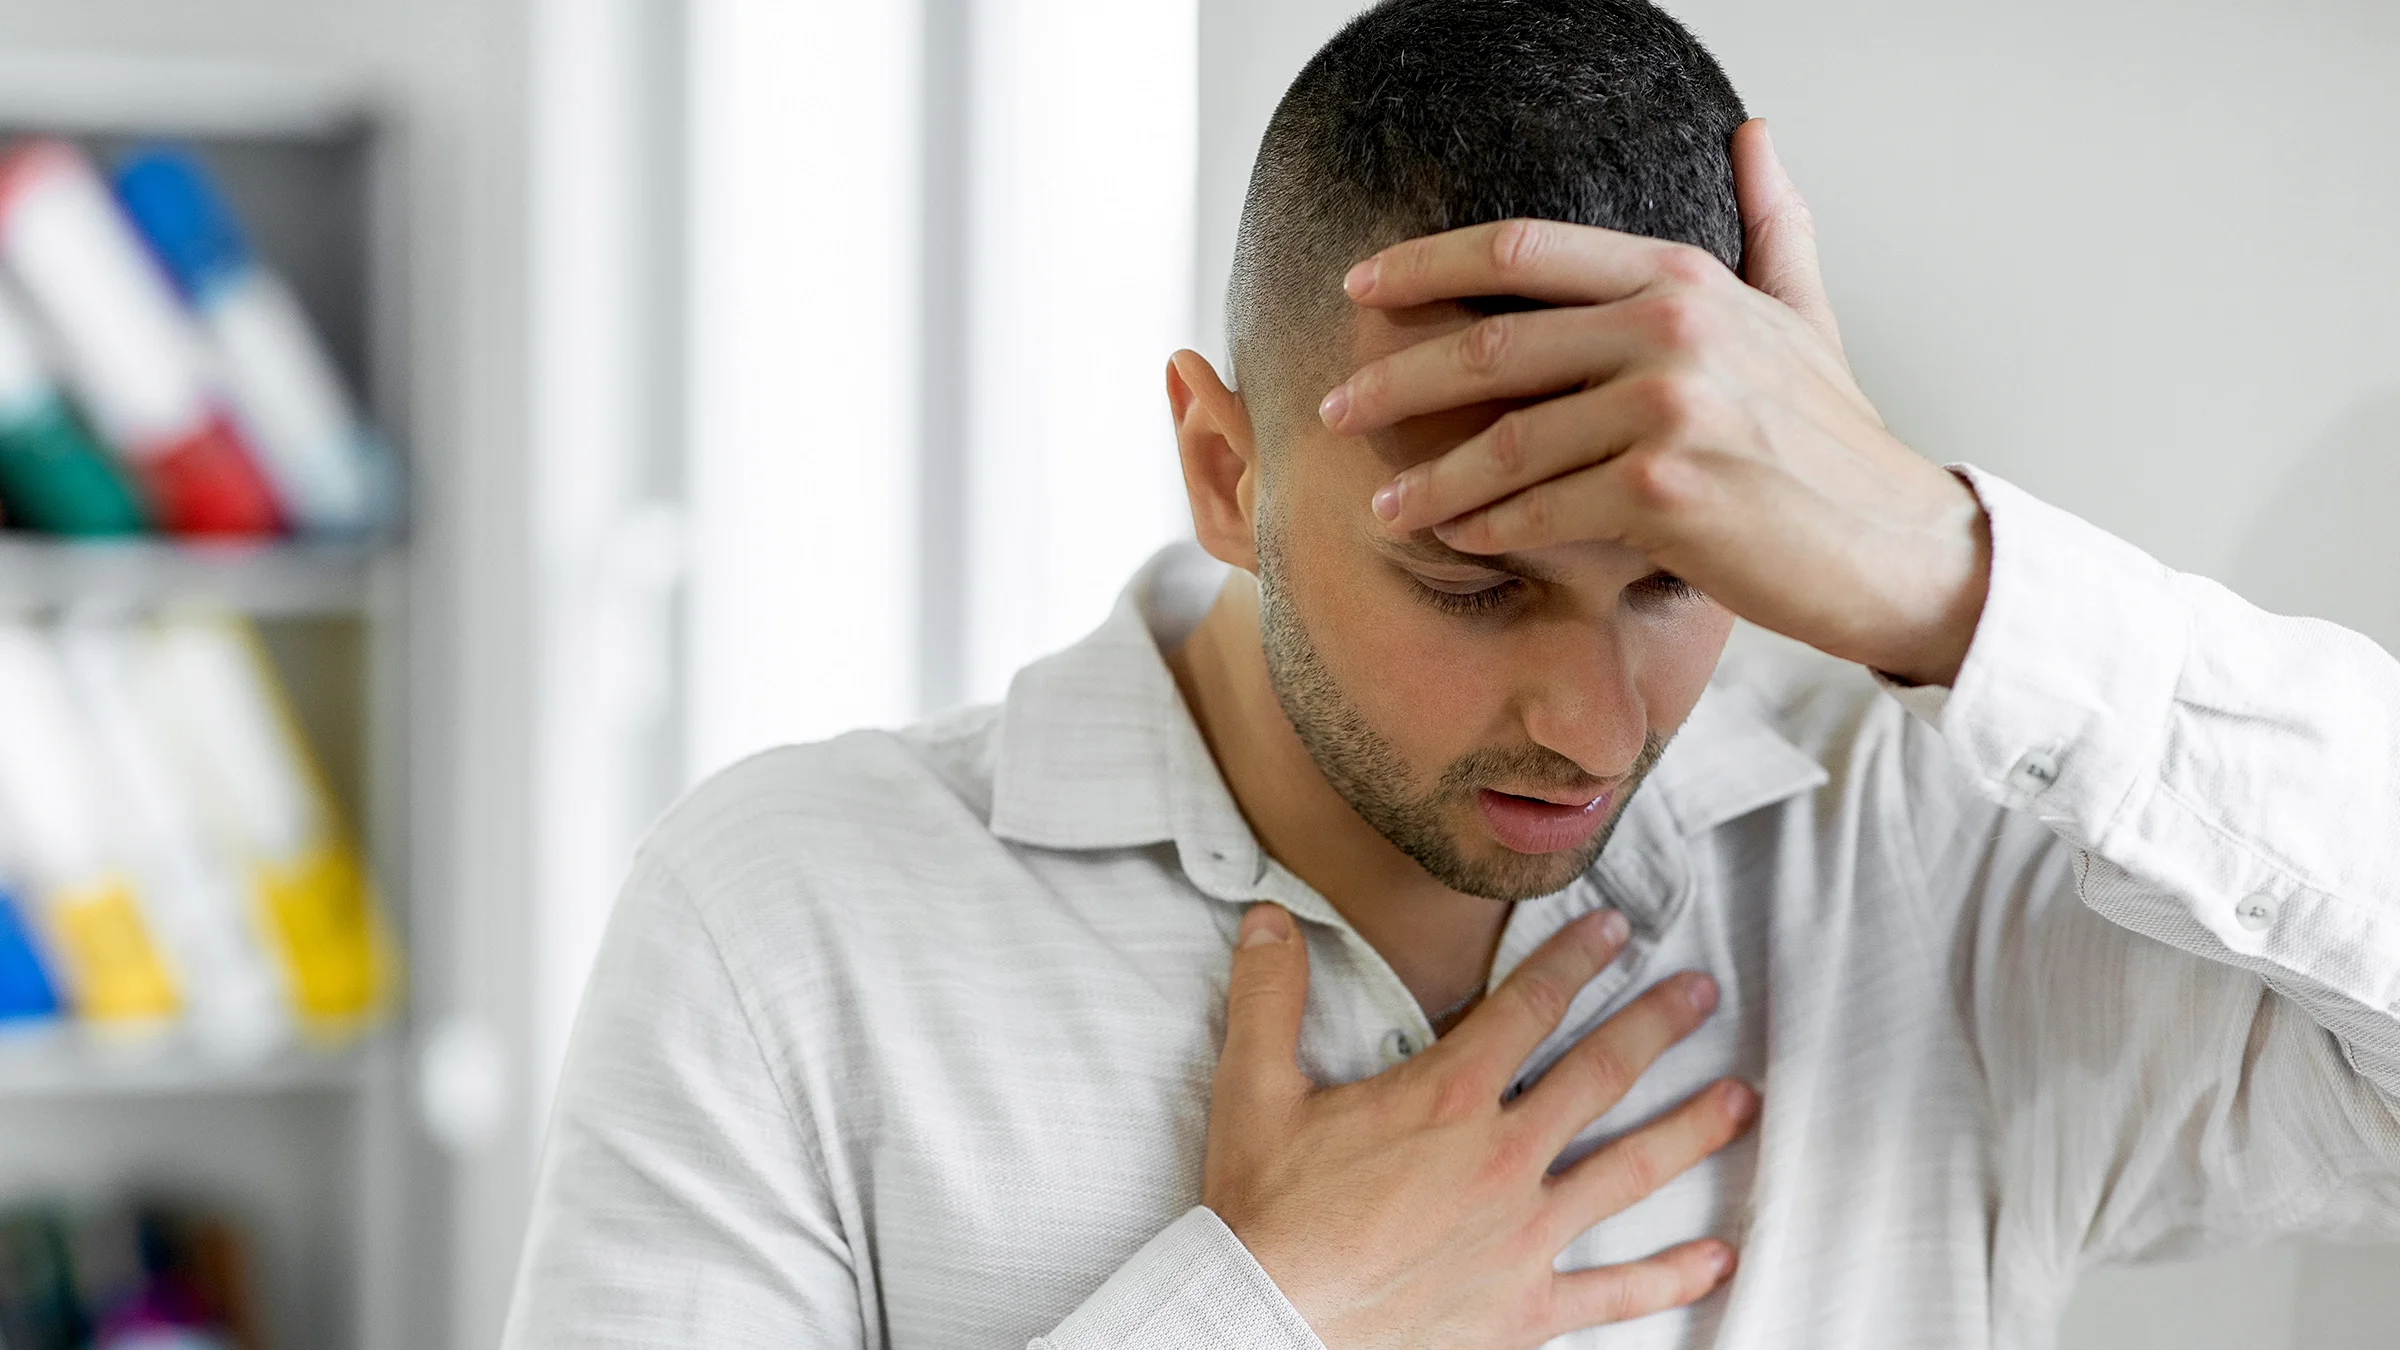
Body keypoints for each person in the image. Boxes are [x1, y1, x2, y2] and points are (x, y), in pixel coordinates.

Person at [501, 0, 2400, 1346]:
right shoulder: (787, 922)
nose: (1592, 726)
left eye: (1679, 576)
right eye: (1472, 581)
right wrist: (1269, 1316)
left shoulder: (1950, 869)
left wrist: (1949, 565)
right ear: (1226, 469)